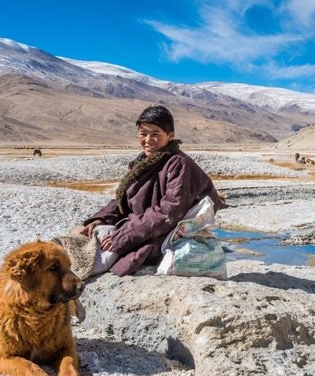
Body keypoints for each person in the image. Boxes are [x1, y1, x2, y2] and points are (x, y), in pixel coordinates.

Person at [77, 105, 224, 276]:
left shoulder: (179, 164)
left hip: (166, 232)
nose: (148, 140)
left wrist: (123, 237)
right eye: (143, 133)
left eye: (155, 134)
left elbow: (169, 212)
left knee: (109, 258)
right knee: (86, 237)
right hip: (143, 227)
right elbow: (124, 200)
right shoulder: (142, 163)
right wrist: (101, 218)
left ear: (170, 135)